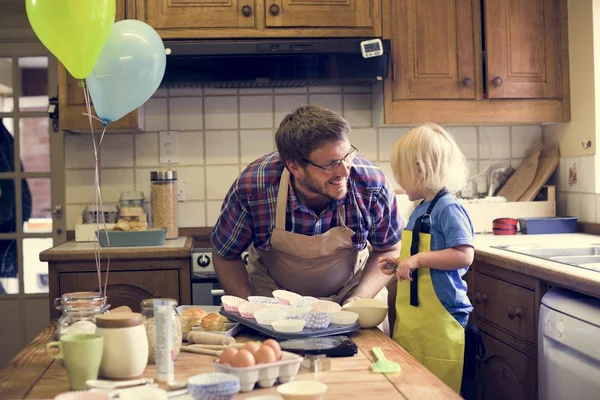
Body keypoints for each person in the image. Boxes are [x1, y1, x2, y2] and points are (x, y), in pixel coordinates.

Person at [211, 105, 404, 306]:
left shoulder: (371, 185)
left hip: (351, 292)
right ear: (295, 167)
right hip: (272, 298)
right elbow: (226, 255)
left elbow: (389, 249)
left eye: (347, 157)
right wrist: (248, 309)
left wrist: (359, 299)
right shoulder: (254, 188)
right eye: (330, 164)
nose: (345, 171)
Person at [379, 123, 474, 394]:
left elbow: (463, 254)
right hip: (415, 319)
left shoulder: (449, 208)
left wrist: (418, 259)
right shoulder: (420, 208)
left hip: (441, 319)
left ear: (420, 170)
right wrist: (400, 264)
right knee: (412, 388)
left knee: (438, 391)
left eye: (402, 174)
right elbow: (422, 257)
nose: (399, 181)